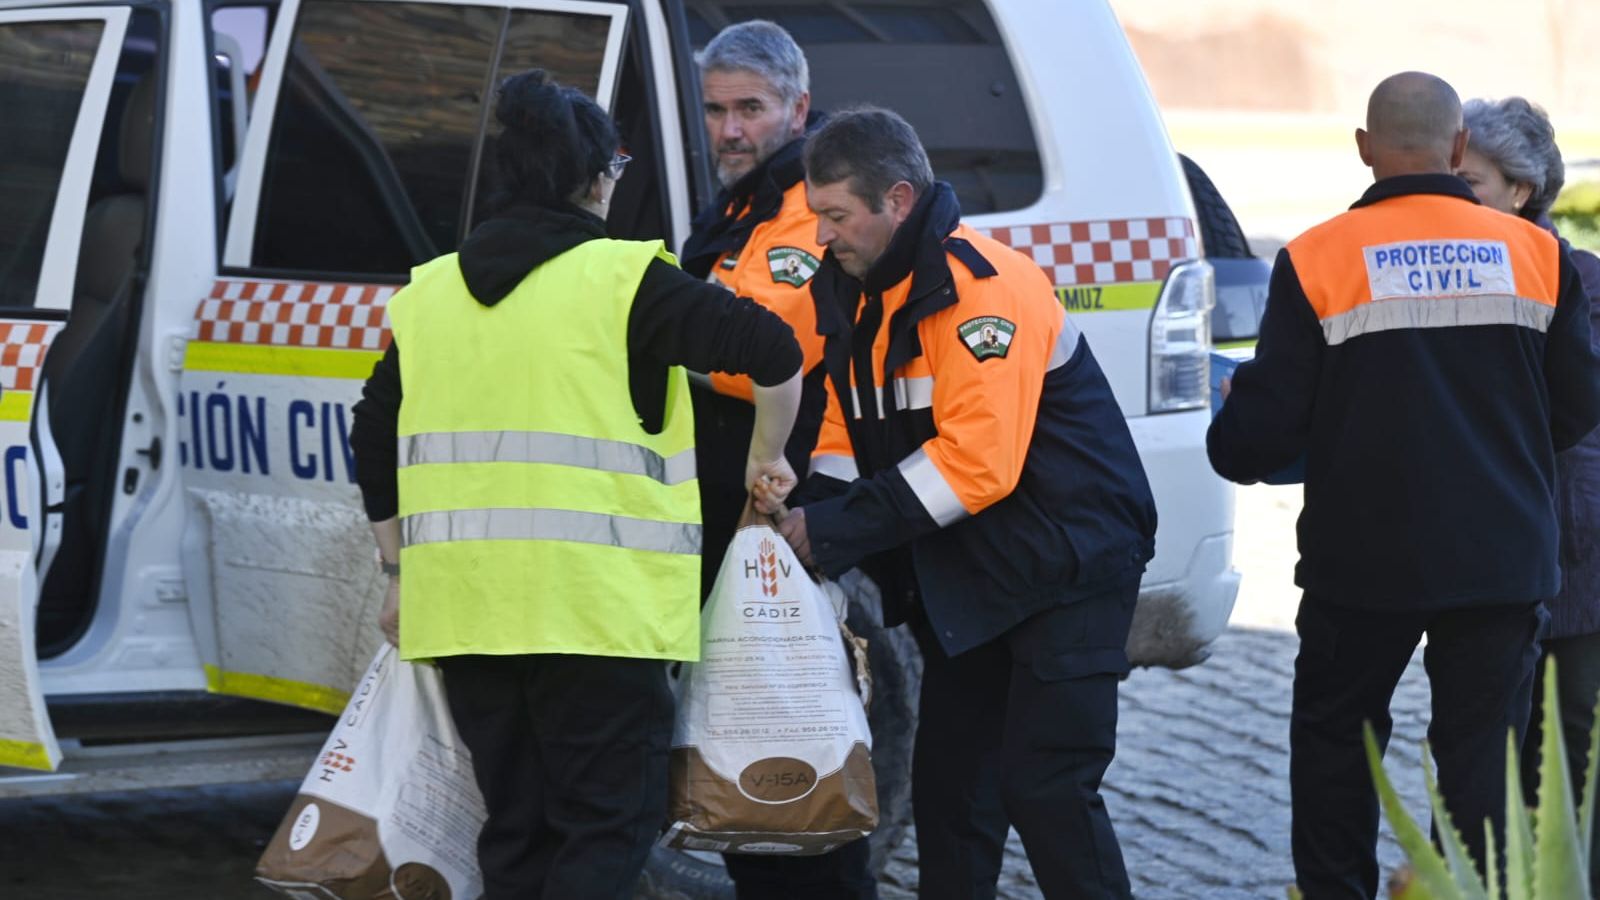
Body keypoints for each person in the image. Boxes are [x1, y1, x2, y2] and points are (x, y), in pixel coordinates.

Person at [348, 70, 804, 900]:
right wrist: (764, 461)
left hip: (470, 617)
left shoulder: (432, 293)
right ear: (596, 179)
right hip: (596, 616)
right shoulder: (625, 281)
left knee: (516, 830)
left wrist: (398, 572)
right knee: (607, 827)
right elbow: (774, 352)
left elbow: (373, 435)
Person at [1208, 72, 1600, 899]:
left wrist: (1242, 426)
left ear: (1364, 149)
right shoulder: (1538, 254)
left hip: (1363, 562)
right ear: (1459, 150)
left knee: (1335, 747)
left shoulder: (1316, 258)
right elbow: (1577, 406)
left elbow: (1256, 440)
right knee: (1481, 759)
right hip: (1500, 560)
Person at [754, 106, 1158, 900]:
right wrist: (809, 512)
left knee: (1047, 792)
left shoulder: (983, 289)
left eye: (836, 216)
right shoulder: (862, 287)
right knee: (950, 800)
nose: (824, 237)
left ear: (897, 201)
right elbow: (846, 426)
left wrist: (829, 529)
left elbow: (977, 466)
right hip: (977, 576)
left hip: (1067, 569)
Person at [679, 22, 877, 898]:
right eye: (717, 109)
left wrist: (656, 336)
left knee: (795, 741)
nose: (729, 129)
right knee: (743, 750)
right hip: (738, 508)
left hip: (787, 511)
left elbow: (754, 351)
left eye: (751, 109)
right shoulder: (744, 201)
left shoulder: (806, 203)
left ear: (797, 107)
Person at [1458, 94, 1600, 896]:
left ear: (1521, 189)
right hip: (1488, 546)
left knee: (1574, 730)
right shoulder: (1443, 265)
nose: (1452, 195)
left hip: (1573, 539)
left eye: (1469, 180)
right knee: (1488, 737)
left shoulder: (1580, 278)